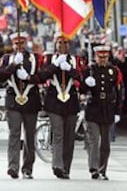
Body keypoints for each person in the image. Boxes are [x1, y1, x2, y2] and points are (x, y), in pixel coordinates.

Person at [0, 31, 42, 180]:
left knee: (29, 136)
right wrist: (14, 65)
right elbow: (0, 76)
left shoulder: (35, 58)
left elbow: (42, 77)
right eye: (16, 43)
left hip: (31, 101)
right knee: (14, 134)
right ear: (12, 44)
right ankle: (13, 166)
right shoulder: (6, 58)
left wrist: (28, 77)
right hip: (13, 101)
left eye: (21, 42)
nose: (19, 45)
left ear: (26, 42)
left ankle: (27, 168)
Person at [39, 33, 82, 180]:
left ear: (69, 45)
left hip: (70, 102)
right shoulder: (49, 59)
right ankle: (57, 165)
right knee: (58, 133)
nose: (62, 45)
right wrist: (56, 65)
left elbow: (81, 78)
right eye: (59, 43)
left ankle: (66, 168)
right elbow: (42, 76)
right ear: (55, 45)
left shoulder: (76, 60)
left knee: (69, 137)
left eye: (65, 43)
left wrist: (68, 68)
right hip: (54, 102)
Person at [81, 45, 123, 180]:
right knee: (94, 141)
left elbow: (118, 92)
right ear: (95, 57)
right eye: (100, 57)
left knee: (105, 143)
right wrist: (86, 84)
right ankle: (93, 168)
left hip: (107, 109)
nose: (103, 59)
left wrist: (118, 111)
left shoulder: (114, 71)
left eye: (105, 56)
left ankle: (102, 169)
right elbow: (81, 90)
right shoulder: (89, 70)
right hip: (94, 108)